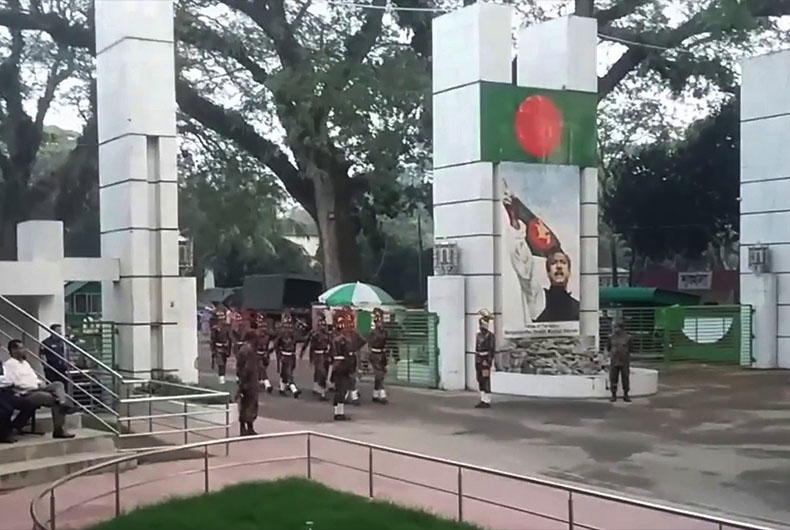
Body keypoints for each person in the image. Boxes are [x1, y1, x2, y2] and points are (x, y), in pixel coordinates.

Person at [4, 340, 75, 439]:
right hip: (26, 393)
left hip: (37, 387)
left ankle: (62, 403)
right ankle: (59, 427)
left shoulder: (25, 363)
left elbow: (34, 378)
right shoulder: (9, 365)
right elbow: (14, 383)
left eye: (23, 347)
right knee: (54, 399)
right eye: (21, 348)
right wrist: (33, 386)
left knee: (58, 384)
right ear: (13, 350)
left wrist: (39, 383)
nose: (24, 350)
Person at [535, 251, 580, 323]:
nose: (559, 266)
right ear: (548, 273)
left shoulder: (579, 310)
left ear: (569, 272)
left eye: (563, 262)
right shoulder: (538, 304)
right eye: (553, 263)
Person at [331, 311, 356, 421]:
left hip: (339, 366)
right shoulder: (340, 338)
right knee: (341, 389)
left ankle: (339, 412)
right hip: (342, 366)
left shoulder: (336, 337)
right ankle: (338, 413)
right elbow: (346, 351)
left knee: (340, 390)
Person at [235, 330, 260, 436]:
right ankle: (248, 428)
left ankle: (244, 428)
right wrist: (244, 383)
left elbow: (239, 368)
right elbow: (248, 368)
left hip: (245, 381)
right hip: (250, 382)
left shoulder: (243, 349)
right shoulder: (249, 351)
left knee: (244, 405)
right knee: (251, 405)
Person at [273, 313, 301, 398]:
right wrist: (278, 354)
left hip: (292, 356)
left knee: (286, 372)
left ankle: (282, 389)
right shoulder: (281, 334)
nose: (288, 327)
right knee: (288, 373)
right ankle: (294, 389)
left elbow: (299, 339)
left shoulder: (293, 333)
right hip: (284, 355)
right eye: (286, 325)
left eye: (289, 324)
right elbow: (276, 344)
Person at [307, 314, 332, 401]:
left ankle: (319, 388)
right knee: (321, 373)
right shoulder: (315, 335)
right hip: (318, 356)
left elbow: (331, 345)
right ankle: (322, 392)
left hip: (326, 356)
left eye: (324, 325)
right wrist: (311, 359)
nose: (323, 327)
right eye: (321, 325)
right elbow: (311, 347)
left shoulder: (328, 335)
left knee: (325, 372)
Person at [608, 321, 633, 403]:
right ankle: (613, 395)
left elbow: (631, 349)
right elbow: (608, 348)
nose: (614, 329)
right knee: (613, 378)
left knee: (625, 378)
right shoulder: (611, 337)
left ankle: (626, 394)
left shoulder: (628, 337)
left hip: (624, 361)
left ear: (621, 328)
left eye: (616, 327)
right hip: (614, 361)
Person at [474, 313, 495, 409]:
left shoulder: (490, 335)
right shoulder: (478, 335)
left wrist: (489, 361)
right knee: (480, 379)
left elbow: (492, 349)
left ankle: (487, 400)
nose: (483, 325)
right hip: (478, 359)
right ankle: (482, 398)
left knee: (486, 379)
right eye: (481, 323)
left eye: (485, 323)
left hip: (485, 360)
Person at [368, 308, 389, 404]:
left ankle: (375, 394)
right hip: (375, 354)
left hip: (382, 354)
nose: (380, 324)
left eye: (381, 322)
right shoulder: (373, 332)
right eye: (379, 322)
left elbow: (386, 344)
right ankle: (382, 394)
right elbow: (370, 344)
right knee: (379, 374)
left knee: (380, 375)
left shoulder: (385, 332)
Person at [255, 315, 274, 394]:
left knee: (263, 368)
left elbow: (275, 337)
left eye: (264, 327)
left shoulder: (267, 336)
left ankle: (259, 381)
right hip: (257, 354)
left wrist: (270, 350)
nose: (263, 329)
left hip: (265, 354)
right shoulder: (255, 336)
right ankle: (267, 385)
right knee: (261, 368)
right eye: (261, 327)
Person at [210, 318, 231, 385]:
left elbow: (229, 339)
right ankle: (221, 378)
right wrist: (213, 350)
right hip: (218, 347)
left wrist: (229, 350)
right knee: (220, 364)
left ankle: (222, 377)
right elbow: (213, 340)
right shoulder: (215, 329)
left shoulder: (227, 328)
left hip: (225, 348)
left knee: (224, 363)